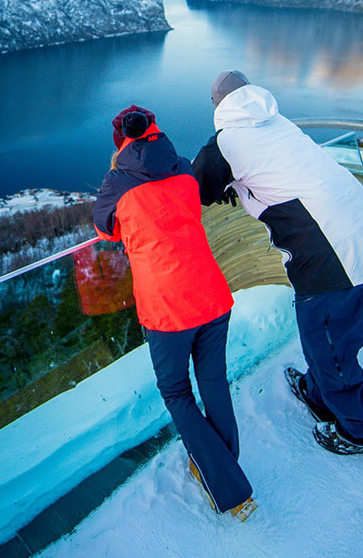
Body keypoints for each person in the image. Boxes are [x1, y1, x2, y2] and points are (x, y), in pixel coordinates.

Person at [192, 71, 363, 457]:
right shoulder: (279, 122)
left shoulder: (225, 143)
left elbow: (192, 189)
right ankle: (317, 395)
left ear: (217, 104)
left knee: (331, 353)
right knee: (341, 342)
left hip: (332, 262)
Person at [93, 104, 256, 520]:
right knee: (213, 382)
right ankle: (222, 462)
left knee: (177, 393)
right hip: (211, 292)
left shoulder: (117, 181)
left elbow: (105, 229)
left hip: (167, 307)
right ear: (155, 130)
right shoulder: (183, 168)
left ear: (121, 142)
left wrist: (118, 176)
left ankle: (229, 487)